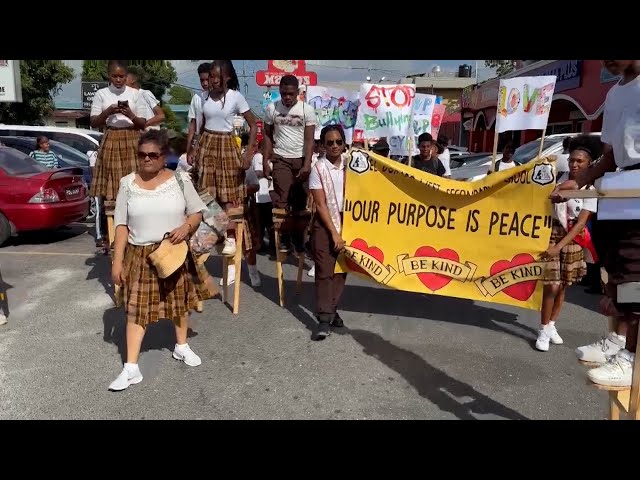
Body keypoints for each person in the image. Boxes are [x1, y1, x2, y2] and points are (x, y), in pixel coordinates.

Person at [552, 60, 640, 387]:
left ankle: (632, 358)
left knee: (635, 281)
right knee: (618, 280)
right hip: (620, 200)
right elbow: (610, 155)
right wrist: (581, 181)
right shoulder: (615, 94)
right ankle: (620, 344)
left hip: (638, 203)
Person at [109, 130, 208, 391]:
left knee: (179, 303)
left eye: (153, 155)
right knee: (136, 308)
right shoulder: (127, 183)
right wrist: (116, 263)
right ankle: (131, 368)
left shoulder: (180, 179)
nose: (147, 159)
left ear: (164, 156)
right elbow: (120, 225)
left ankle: (181, 346)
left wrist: (186, 228)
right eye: (142, 155)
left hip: (173, 250)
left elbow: (197, 212)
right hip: (140, 254)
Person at [536, 135, 601, 352]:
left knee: (563, 285)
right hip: (551, 234)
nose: (574, 164)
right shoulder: (556, 178)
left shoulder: (591, 189)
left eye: (579, 161)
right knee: (551, 285)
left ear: (589, 163)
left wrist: (559, 246)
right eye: (572, 160)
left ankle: (552, 325)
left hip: (572, 238)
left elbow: (581, 224)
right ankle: (543, 329)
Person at [192, 60, 257, 257]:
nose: (213, 81)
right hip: (207, 145)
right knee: (206, 195)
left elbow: (253, 125)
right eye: (211, 77)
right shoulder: (201, 98)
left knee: (229, 195)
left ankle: (229, 235)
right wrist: (195, 149)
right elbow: (199, 127)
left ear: (227, 78)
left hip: (228, 147)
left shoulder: (236, 97)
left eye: (217, 77)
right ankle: (218, 229)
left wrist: (248, 154)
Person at [263, 74, 318, 254]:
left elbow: (310, 140)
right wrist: (265, 159)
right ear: (279, 91)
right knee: (282, 200)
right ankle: (283, 237)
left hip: (301, 159)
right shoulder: (272, 108)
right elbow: (267, 136)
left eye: (291, 94)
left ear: (297, 93)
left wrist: (307, 164)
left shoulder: (306, 110)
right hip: (281, 159)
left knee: (301, 204)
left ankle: (299, 238)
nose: (287, 97)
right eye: (284, 93)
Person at [309, 125, 348, 340]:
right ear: (323, 145)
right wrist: (334, 233)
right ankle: (324, 319)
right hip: (325, 223)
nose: (334, 146)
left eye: (338, 142)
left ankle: (331, 310)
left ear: (344, 143)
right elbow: (320, 204)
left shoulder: (353, 165)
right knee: (325, 269)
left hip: (350, 220)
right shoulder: (318, 168)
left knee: (342, 269)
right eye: (330, 142)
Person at [89, 60, 147, 203]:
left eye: (122, 76)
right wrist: (108, 112)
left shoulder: (136, 94)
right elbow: (94, 122)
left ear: (126, 76)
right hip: (112, 137)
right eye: (114, 76)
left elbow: (143, 123)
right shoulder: (101, 94)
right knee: (112, 176)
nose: (118, 80)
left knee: (134, 175)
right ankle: (112, 216)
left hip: (132, 136)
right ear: (109, 75)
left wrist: (130, 114)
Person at [252, 139, 274, 254]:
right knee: (260, 223)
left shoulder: (269, 158)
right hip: (260, 195)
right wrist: (268, 173)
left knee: (270, 222)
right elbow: (257, 172)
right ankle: (259, 245)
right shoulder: (258, 157)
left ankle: (272, 245)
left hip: (269, 195)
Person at [186, 62, 211, 165]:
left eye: (207, 80)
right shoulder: (196, 98)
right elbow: (193, 125)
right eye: (202, 80)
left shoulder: (222, 97)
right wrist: (188, 149)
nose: (205, 83)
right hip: (200, 144)